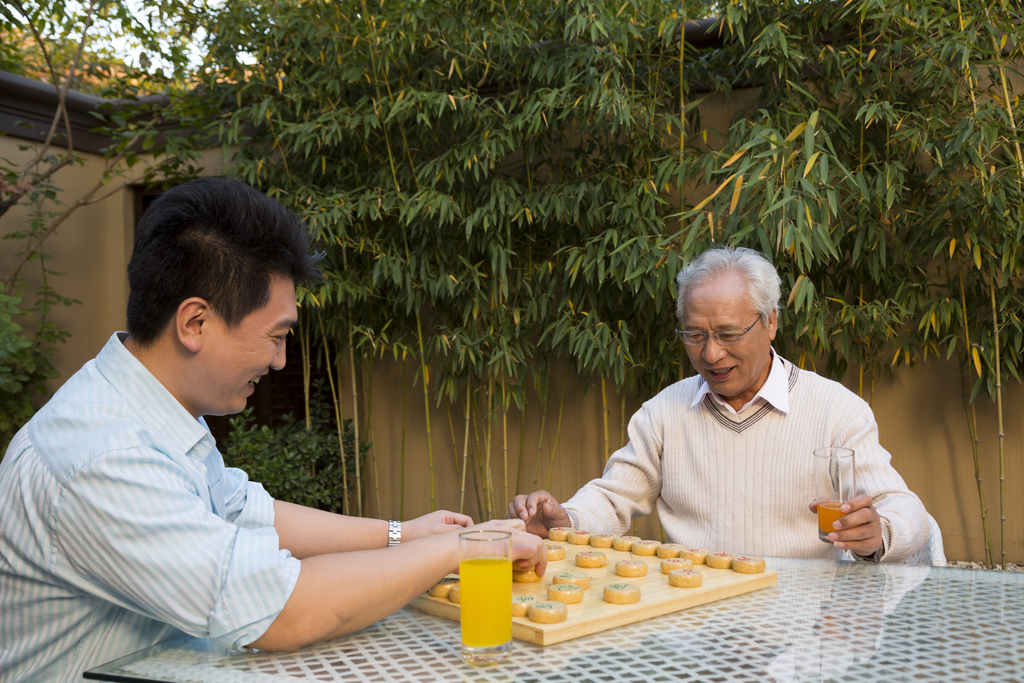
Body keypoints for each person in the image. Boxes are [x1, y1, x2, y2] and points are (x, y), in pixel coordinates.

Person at [0, 177, 545, 683]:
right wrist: (467, 548)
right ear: (195, 322)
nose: (282, 361)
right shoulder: (102, 456)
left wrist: (402, 533)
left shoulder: (147, 407)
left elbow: (243, 511)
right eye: (277, 335)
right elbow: (282, 611)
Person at [509, 246, 929, 562]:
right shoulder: (663, 412)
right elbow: (613, 497)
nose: (710, 355)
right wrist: (566, 519)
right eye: (695, 335)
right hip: (695, 619)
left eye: (728, 334)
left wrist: (880, 532)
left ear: (770, 321)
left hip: (805, 624)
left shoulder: (836, 409)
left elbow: (906, 509)